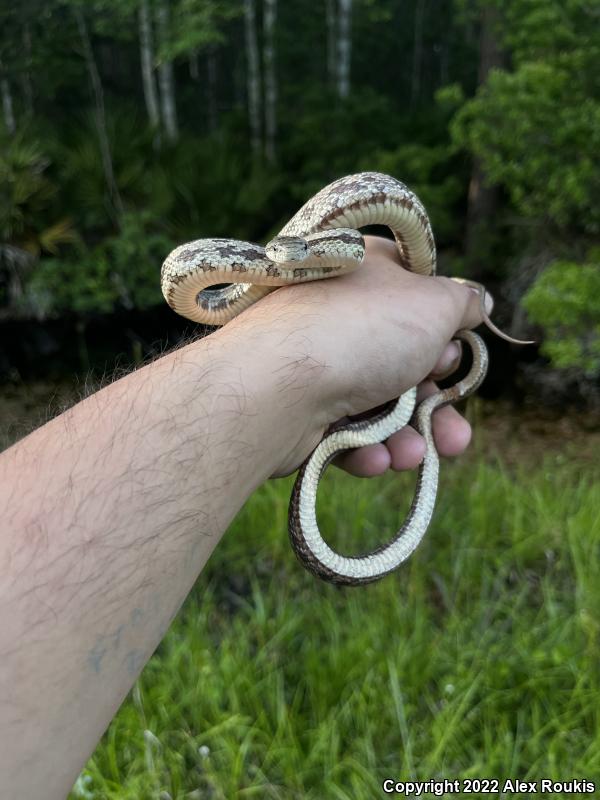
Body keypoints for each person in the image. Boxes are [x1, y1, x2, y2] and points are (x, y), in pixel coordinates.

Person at [0, 236, 490, 798]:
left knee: (406, 425)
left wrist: (293, 366)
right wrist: (298, 355)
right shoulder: (262, 266)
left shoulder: (314, 261)